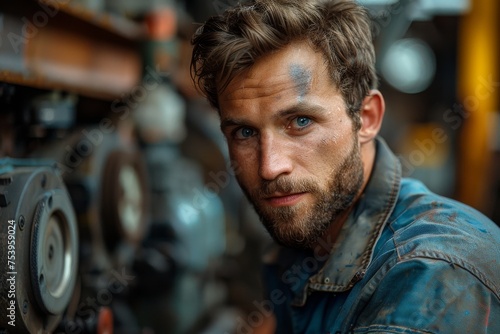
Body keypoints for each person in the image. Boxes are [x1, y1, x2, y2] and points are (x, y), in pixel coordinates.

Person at [190, 0, 500, 333]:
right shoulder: (306, 240)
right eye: (245, 132)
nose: (270, 167)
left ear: (367, 118)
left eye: (300, 121)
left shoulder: (430, 276)